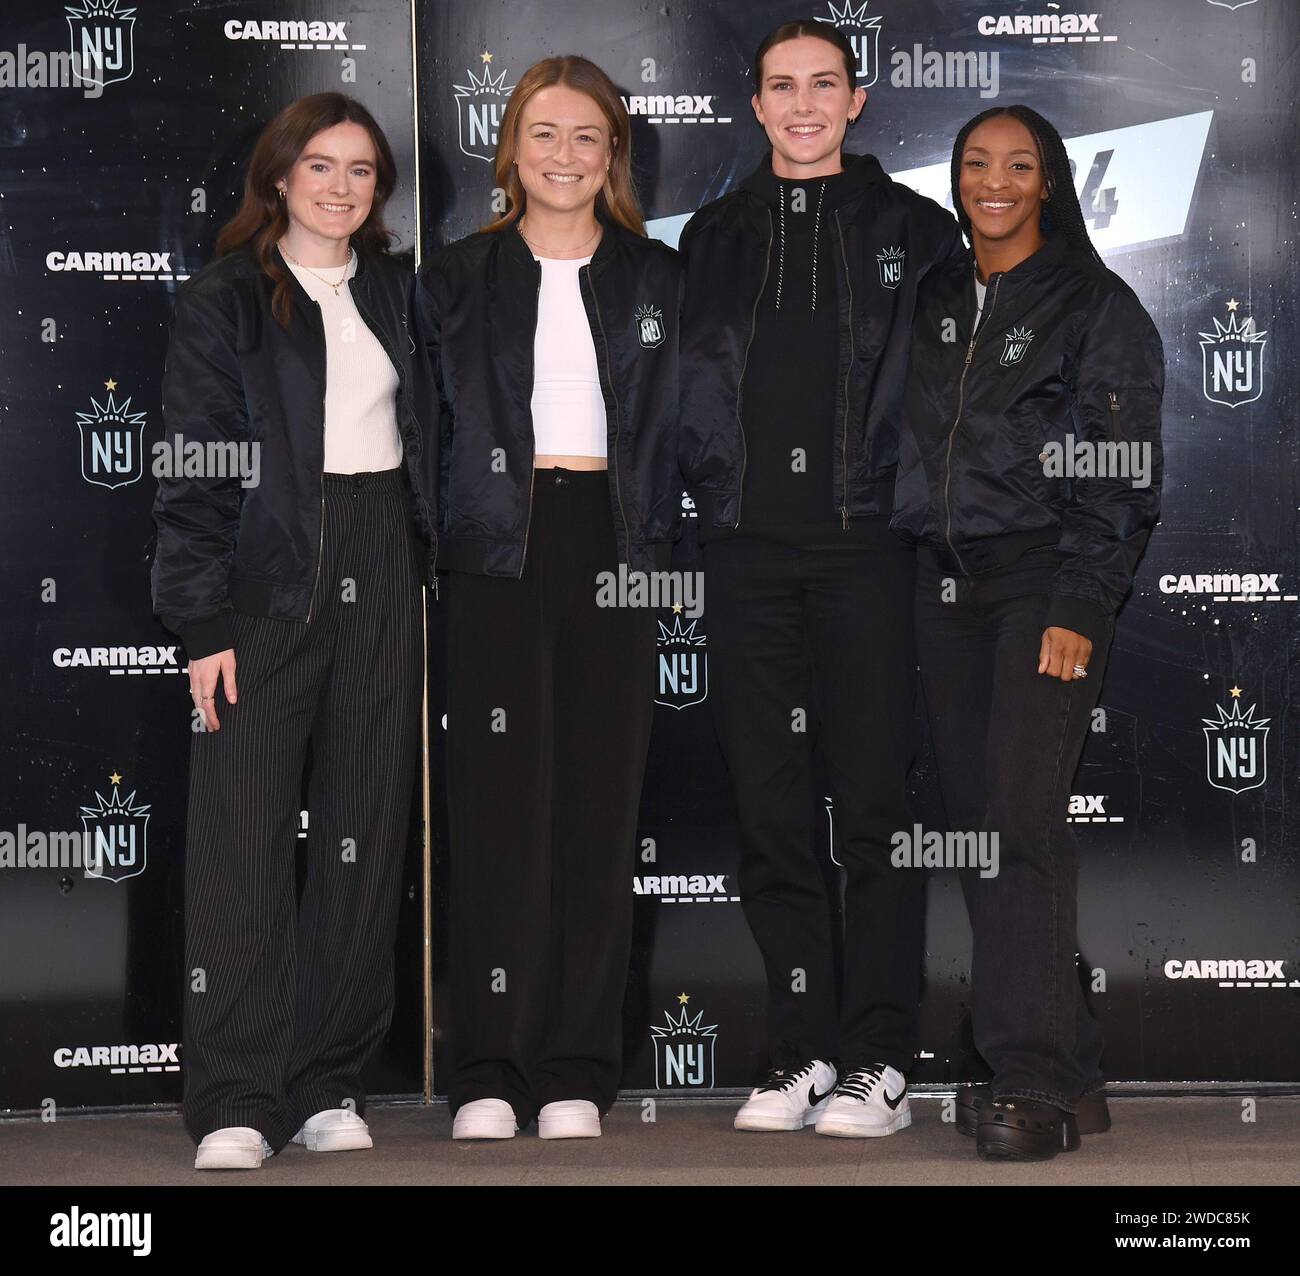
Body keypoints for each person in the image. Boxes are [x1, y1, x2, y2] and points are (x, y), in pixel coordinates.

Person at [677, 19, 966, 1137]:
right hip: (744, 555)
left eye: (823, 85)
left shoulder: (917, 230)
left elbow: (953, 407)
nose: (802, 105)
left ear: (857, 101)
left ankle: (879, 1060)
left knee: (876, 812)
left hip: (868, 554)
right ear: (753, 106)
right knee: (772, 813)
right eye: (780, 87)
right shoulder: (708, 236)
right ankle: (800, 1050)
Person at [151, 92, 438, 1170]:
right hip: (263, 577)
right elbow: (190, 468)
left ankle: (325, 1081)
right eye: (320, 165)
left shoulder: (401, 294)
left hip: (379, 554)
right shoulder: (224, 299)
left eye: (361, 169)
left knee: (363, 832)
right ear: (278, 177)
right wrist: (201, 615)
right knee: (242, 841)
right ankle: (234, 1092)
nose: (341, 186)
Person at [415, 55, 682, 1141]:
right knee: (495, 814)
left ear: (611, 153)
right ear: (509, 147)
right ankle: (489, 1065)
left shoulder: (657, 280)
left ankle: (576, 1063)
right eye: (543, 134)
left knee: (595, 813)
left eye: (586, 137)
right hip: (494, 551)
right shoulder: (454, 278)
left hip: (614, 549)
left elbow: (691, 435)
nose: (564, 156)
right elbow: (421, 437)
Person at [892, 104, 1164, 1159]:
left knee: (1018, 826)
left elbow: (1120, 471)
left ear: (1048, 179)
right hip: (941, 591)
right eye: (974, 163)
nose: (993, 181)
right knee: (981, 828)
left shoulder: (1094, 304)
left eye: (1017, 165)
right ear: (956, 180)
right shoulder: (929, 301)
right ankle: (1061, 1055)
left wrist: (1079, 603)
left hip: (1039, 588)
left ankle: (1036, 1082)